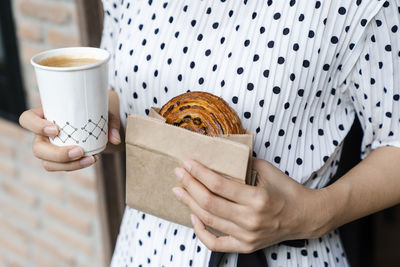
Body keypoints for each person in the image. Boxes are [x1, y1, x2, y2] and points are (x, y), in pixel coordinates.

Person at [19, 0, 400, 266]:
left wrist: (313, 214)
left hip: (288, 255)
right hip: (143, 248)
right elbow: (127, 90)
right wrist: (93, 124)